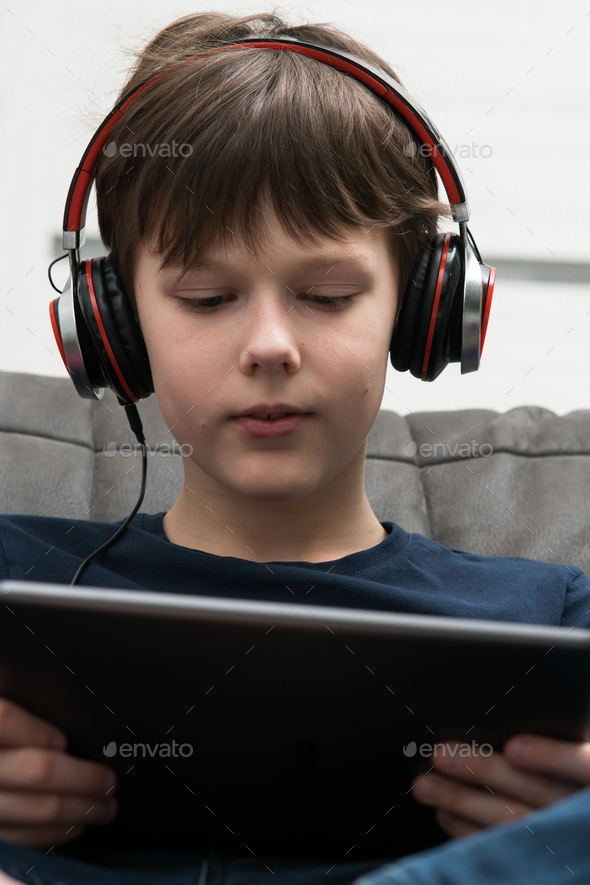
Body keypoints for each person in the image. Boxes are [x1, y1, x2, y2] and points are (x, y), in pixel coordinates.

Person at [0, 10, 589, 885]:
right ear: (112, 327)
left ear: (422, 311)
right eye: (206, 297)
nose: (270, 344)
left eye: (324, 293)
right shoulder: (15, 571)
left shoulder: (553, 621)